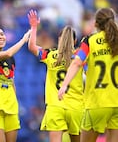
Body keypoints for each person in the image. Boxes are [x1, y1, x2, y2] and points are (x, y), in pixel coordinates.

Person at [58, 8, 118, 142]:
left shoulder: (90, 40)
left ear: (96, 24)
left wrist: (64, 85)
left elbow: (76, 63)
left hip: (97, 102)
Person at [28, 10, 84, 142]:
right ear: (75, 40)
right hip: (76, 107)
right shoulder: (80, 57)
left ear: (59, 39)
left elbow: (31, 46)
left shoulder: (50, 55)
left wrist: (34, 27)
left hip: (55, 105)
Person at [0, 26, 30, 142]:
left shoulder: (11, 59)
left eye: (2, 34)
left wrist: (15, 103)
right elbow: (7, 53)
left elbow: (11, 82)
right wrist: (23, 40)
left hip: (11, 108)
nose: (0, 37)